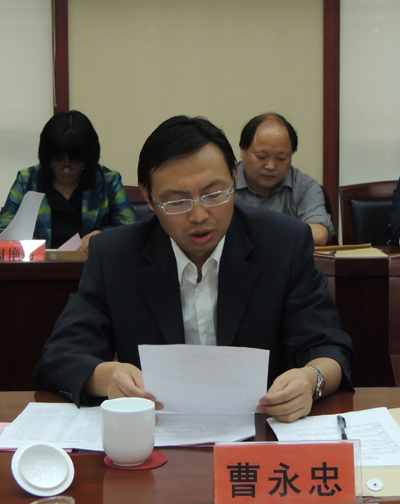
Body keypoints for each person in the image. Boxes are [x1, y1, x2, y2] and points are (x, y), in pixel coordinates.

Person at [35, 115, 353, 423]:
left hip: (262, 431)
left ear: (233, 175)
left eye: (214, 194)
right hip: (156, 435)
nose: (199, 215)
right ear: (148, 196)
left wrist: (312, 379)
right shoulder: (116, 255)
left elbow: (328, 345)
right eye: (177, 201)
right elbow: (61, 355)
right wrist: (107, 377)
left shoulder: (283, 244)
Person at [0, 110, 136, 250]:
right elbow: (3, 231)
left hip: (92, 262)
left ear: (88, 159)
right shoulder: (27, 180)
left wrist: (101, 234)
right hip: (39, 262)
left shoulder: (107, 180)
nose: (66, 170)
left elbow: (130, 229)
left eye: (75, 164)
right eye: (58, 163)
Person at [235, 112, 335, 246]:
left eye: (281, 158)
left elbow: (319, 234)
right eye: (261, 156)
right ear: (242, 149)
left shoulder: (305, 186)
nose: (271, 166)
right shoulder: (223, 183)